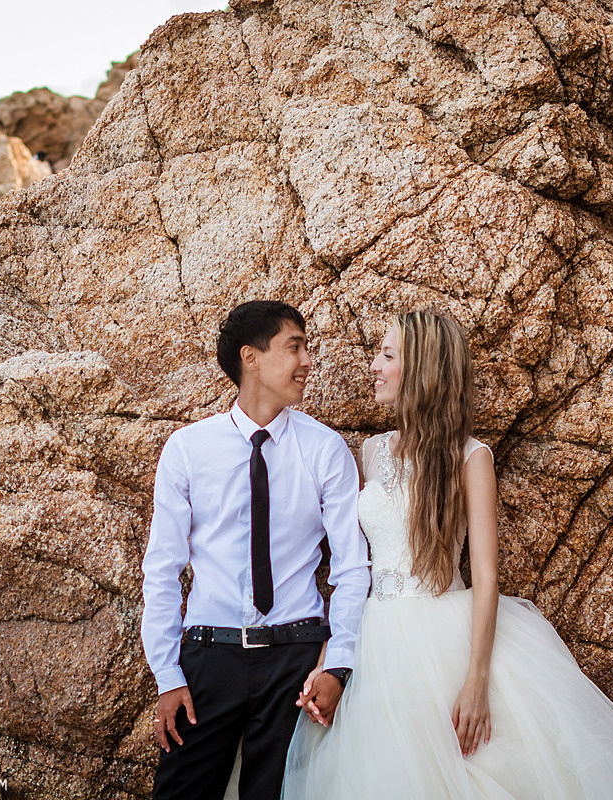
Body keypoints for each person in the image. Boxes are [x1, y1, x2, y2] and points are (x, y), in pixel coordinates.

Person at [282, 309, 613, 799]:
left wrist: (476, 681)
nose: (373, 365)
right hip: (377, 639)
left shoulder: (470, 457)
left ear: (421, 369)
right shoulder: (372, 451)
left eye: (387, 355)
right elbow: (356, 571)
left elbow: (485, 573)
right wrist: (333, 656)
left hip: (445, 636)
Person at [141, 300, 371, 800]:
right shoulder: (188, 448)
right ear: (251, 356)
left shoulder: (325, 449)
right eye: (295, 347)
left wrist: (337, 664)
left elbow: (352, 568)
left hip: (296, 661)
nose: (307, 360)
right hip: (209, 657)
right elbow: (162, 568)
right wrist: (166, 675)